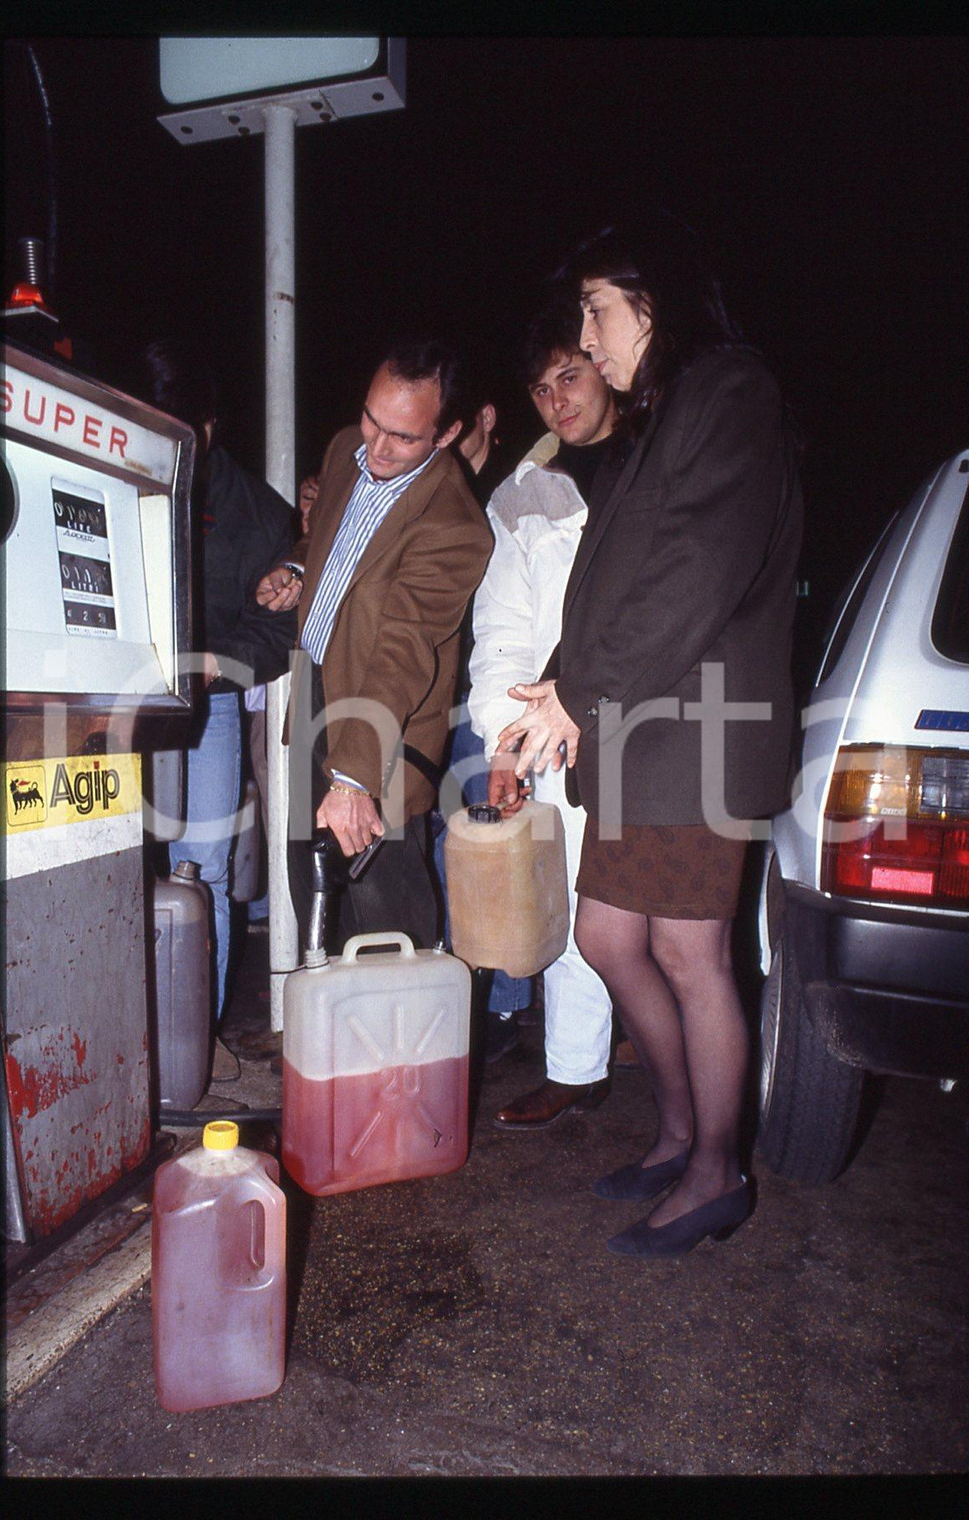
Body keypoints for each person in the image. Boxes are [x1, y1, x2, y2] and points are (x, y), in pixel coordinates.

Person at [496, 213, 803, 1257]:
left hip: (700, 728)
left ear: (652, 302)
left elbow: (695, 572)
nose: (585, 336)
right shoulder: (654, 419)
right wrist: (561, 684)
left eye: (598, 308)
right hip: (641, 725)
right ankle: (677, 1134)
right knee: (607, 936)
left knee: (686, 949)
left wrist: (583, 693)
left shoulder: (731, 392)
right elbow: (610, 583)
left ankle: (718, 1170)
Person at [256, 336, 493, 953]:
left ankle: (408, 1050)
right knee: (310, 897)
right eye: (372, 419)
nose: (378, 446)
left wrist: (355, 780)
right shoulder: (344, 450)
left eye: (403, 437)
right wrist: (299, 571)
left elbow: (403, 652)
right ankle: (331, 1042)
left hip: (382, 725)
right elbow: (328, 544)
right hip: (313, 691)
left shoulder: (456, 525)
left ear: (445, 435)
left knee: (384, 920)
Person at [468, 304, 618, 1122]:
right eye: (541, 387)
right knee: (563, 892)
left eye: (571, 375)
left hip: (657, 718)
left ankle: (685, 1080)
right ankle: (575, 1070)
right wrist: (505, 739)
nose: (558, 399)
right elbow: (502, 630)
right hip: (552, 722)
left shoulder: (656, 461)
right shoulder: (523, 493)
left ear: (604, 363)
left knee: (665, 922)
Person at [132, 338, 298, 1067]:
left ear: (210, 426)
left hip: (211, 712)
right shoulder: (111, 473)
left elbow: (279, 622)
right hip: (113, 706)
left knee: (204, 868)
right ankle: (128, 1032)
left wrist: (214, 667)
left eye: (182, 432)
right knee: (121, 864)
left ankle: (194, 1040)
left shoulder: (258, 512)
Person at [433, 372, 533, 1063]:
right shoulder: (436, 490)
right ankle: (470, 987)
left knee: (500, 853)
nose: (443, 442)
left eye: (456, 427)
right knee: (458, 853)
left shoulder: (523, 486)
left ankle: (503, 1005)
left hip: (504, 699)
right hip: (450, 697)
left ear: (486, 418)